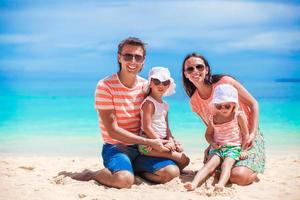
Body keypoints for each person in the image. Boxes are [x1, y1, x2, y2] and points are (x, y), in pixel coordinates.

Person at [69, 37, 180, 189]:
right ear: (119, 57)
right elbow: (112, 131)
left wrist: (169, 139)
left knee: (172, 172)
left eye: (138, 57)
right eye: (128, 56)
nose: (133, 61)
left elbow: (157, 115)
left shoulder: (145, 86)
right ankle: (92, 174)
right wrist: (148, 142)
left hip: (142, 149)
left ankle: (135, 170)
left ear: (143, 61)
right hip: (117, 147)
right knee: (124, 180)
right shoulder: (105, 86)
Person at [182, 53, 265, 186]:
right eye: (190, 69)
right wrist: (211, 144)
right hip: (224, 142)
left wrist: (252, 134)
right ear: (185, 74)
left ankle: (253, 170)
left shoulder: (225, 82)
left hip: (247, 137)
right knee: (213, 170)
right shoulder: (194, 101)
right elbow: (212, 126)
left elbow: (253, 104)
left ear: (207, 69)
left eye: (199, 67)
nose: (195, 71)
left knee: (239, 177)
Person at [184, 84, 249, 191]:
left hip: (233, 148)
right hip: (217, 148)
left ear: (233, 104)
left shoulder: (238, 116)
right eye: (219, 106)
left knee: (226, 165)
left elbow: (245, 134)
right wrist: (212, 143)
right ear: (215, 105)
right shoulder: (213, 118)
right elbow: (208, 134)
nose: (223, 109)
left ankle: (221, 184)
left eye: (227, 106)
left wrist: (243, 150)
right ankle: (194, 184)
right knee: (208, 166)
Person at [138, 66, 190, 170]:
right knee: (182, 159)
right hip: (148, 144)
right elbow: (147, 127)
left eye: (165, 82)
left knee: (184, 156)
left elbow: (167, 127)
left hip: (162, 140)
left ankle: (175, 169)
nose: (161, 85)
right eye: (157, 81)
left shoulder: (165, 105)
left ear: (168, 85)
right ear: (150, 83)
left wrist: (170, 140)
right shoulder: (149, 103)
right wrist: (160, 143)